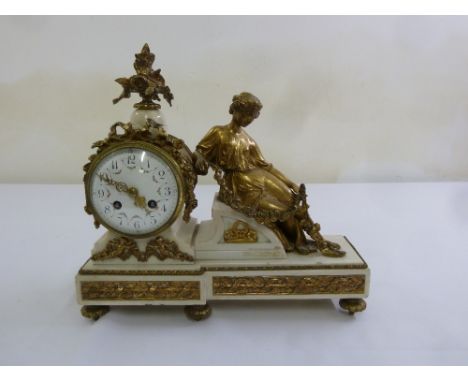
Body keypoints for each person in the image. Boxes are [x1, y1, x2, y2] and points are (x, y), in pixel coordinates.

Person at [193, 92, 343, 256]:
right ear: (235, 110)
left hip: (259, 175)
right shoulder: (218, 132)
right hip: (238, 183)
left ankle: (313, 239)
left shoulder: (248, 140)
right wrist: (200, 159)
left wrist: (289, 182)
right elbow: (199, 152)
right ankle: (296, 240)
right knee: (281, 208)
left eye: (252, 116)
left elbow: (267, 166)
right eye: (246, 114)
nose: (248, 119)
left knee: (293, 199)